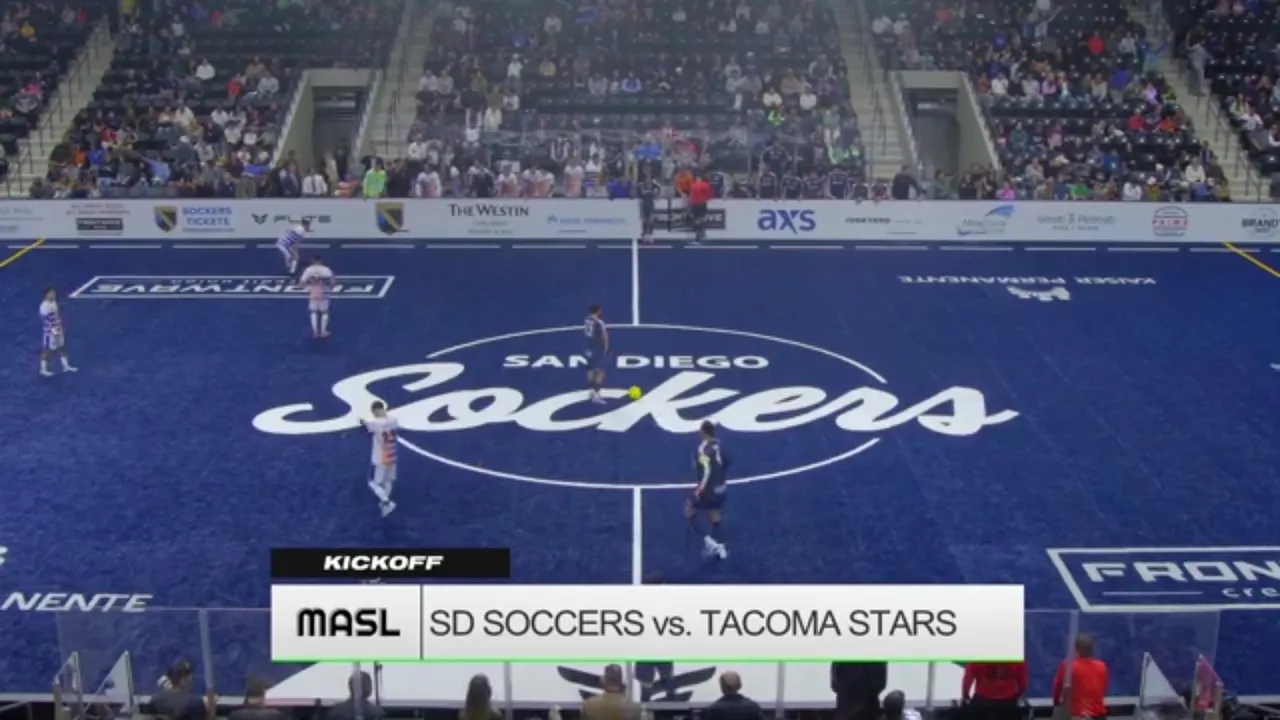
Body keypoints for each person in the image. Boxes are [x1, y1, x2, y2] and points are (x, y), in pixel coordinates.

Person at [686, 420, 728, 559]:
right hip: (721, 487)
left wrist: (700, 489)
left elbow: (707, 471)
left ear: (703, 432)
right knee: (715, 515)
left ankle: (709, 542)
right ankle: (721, 547)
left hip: (708, 489)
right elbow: (726, 462)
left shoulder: (703, 449)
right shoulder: (720, 445)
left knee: (689, 511)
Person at [1052, 634, 1108, 720]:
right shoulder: (1102, 666)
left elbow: (1057, 687)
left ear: (1076, 649)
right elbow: (1104, 689)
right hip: (1099, 715)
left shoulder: (1068, 666)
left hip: (1077, 715)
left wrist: (1057, 703)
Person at [362, 401, 399, 518]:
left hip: (380, 457)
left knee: (372, 483)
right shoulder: (394, 420)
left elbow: (366, 424)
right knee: (388, 481)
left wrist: (362, 421)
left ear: (375, 411)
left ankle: (387, 502)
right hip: (392, 455)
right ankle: (384, 504)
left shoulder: (374, 422)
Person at [962, 661, 1027, 720]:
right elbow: (1023, 683)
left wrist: (966, 696)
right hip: (1008, 702)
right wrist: (1017, 696)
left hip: (982, 701)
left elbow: (967, 679)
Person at [39, 287, 77, 377]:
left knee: (61, 347)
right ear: (47, 295)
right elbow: (48, 321)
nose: (54, 295)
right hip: (50, 332)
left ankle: (66, 366)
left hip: (57, 329)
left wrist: (60, 327)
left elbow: (56, 316)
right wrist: (55, 331)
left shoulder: (54, 303)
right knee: (47, 350)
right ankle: (43, 369)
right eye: (52, 293)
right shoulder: (44, 307)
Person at [299, 256, 334, 339]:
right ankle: (323, 331)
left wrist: (307, 288)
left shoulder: (308, 270)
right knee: (324, 312)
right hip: (324, 292)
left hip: (313, 293)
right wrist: (329, 288)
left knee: (313, 311)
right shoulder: (326, 269)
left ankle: (315, 332)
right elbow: (332, 281)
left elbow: (302, 282)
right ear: (321, 261)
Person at [584, 304, 609, 404]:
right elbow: (604, 336)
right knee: (600, 372)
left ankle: (591, 391)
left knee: (590, 370)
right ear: (598, 311)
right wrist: (606, 347)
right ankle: (597, 394)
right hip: (597, 349)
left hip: (588, 348)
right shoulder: (599, 322)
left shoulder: (586, 320)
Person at [687, 172, 712, 243]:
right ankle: (702, 234)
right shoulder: (705, 185)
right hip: (701, 203)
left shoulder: (693, 185)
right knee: (701, 219)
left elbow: (691, 196)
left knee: (697, 220)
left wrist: (689, 204)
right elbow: (709, 195)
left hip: (696, 204)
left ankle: (698, 237)